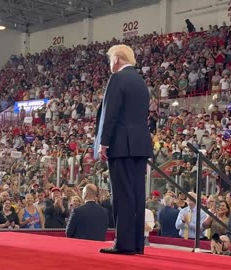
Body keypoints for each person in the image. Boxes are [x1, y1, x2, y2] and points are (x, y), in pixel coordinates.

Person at [95, 44, 153, 255]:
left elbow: (111, 114)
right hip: (140, 144)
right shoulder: (140, 81)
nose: (110, 64)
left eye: (110, 60)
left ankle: (124, 243)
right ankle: (137, 243)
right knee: (137, 194)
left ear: (117, 59)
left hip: (120, 144)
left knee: (122, 194)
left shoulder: (117, 79)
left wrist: (104, 143)